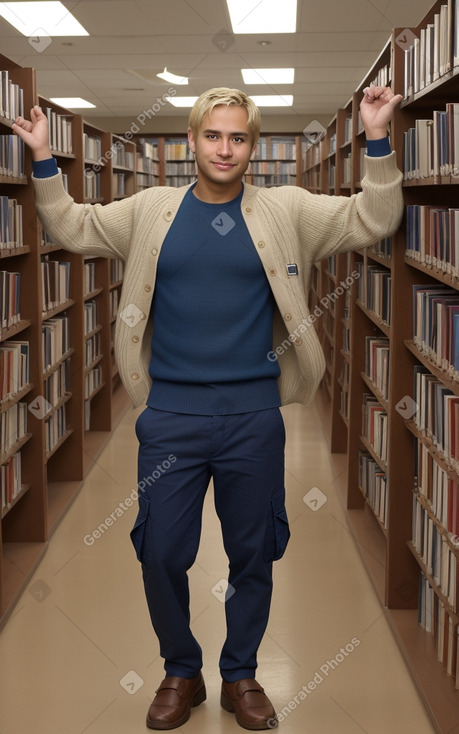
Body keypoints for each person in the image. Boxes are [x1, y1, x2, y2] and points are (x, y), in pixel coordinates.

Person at [12, 84, 403, 731]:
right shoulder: (152, 210)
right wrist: (46, 161)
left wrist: (377, 138)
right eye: (213, 135)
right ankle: (180, 669)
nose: (226, 149)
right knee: (161, 551)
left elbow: (372, 218)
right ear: (190, 142)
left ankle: (241, 673)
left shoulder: (285, 210)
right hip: (169, 416)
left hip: (253, 417)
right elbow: (74, 227)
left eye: (239, 137)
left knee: (252, 553)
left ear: (252, 146)